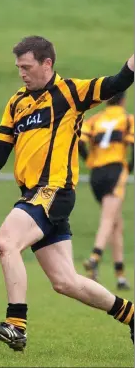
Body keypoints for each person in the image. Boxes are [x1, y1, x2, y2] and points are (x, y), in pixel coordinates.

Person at [0, 36, 134, 352]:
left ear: (47, 63)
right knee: (65, 282)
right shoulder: (17, 102)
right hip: (34, 192)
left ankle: (16, 325)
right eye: (19, 67)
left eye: (27, 67)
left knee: (6, 242)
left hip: (54, 190)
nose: (22, 73)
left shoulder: (72, 92)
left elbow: (118, 81)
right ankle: (131, 315)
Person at [78, 92, 134, 289]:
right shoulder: (127, 119)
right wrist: (129, 167)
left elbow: (80, 142)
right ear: (123, 100)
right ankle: (94, 257)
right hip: (115, 170)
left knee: (117, 224)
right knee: (108, 219)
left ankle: (120, 276)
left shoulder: (94, 120)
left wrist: (90, 161)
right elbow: (133, 146)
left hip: (96, 174)